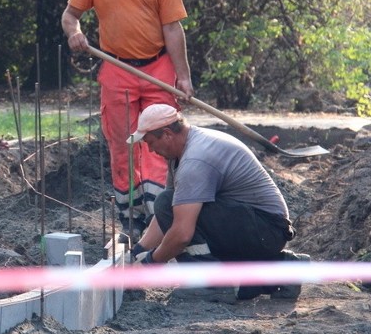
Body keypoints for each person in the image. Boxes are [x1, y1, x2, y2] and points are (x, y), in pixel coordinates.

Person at [62, 0, 194, 240]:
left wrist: (183, 77)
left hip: (157, 70)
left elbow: (172, 27)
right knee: (123, 148)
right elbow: (70, 15)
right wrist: (74, 33)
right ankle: (130, 224)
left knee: (158, 145)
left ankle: (158, 223)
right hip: (117, 69)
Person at [126, 104, 310, 300]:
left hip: (265, 229)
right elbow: (169, 213)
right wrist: (138, 251)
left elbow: (181, 234)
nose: (151, 150)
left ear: (168, 134)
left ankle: (213, 285)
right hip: (256, 226)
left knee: (174, 215)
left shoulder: (195, 161)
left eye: (151, 143)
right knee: (169, 205)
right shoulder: (182, 151)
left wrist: (149, 263)